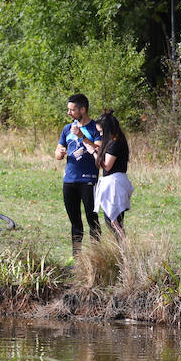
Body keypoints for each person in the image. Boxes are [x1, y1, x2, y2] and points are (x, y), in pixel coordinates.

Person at [53, 93, 102, 255]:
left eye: (72, 110)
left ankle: (96, 257)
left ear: (83, 109)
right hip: (70, 180)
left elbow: (99, 151)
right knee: (75, 222)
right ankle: (77, 258)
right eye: (68, 109)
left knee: (92, 219)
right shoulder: (67, 129)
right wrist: (60, 153)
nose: (69, 113)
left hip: (88, 180)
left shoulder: (96, 128)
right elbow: (57, 154)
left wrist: (82, 137)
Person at [86, 110, 132, 241]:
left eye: (101, 132)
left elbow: (106, 166)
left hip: (114, 184)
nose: (100, 135)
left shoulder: (115, 143)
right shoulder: (116, 141)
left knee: (114, 221)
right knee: (112, 220)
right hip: (114, 182)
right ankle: (123, 250)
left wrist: (93, 153)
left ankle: (124, 250)